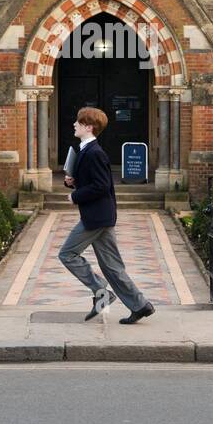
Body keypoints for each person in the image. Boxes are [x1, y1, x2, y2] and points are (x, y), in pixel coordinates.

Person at [59, 107, 155, 323]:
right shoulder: (86, 150)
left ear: (88, 127)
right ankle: (141, 305)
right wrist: (73, 183)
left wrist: (76, 196)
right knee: (112, 266)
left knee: (67, 254)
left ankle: (102, 292)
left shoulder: (95, 152)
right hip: (101, 216)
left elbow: (101, 186)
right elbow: (94, 181)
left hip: (96, 218)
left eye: (78, 122)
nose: (74, 125)